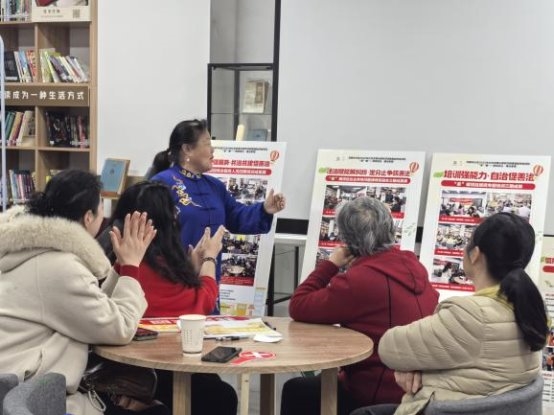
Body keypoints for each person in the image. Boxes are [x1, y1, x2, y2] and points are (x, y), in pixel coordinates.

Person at [0, 169, 166, 415]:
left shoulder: (31, 251)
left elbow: (92, 308)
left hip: (18, 387)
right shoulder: (58, 266)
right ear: (88, 217)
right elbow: (119, 328)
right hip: (37, 397)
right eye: (101, 209)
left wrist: (121, 265)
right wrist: (132, 266)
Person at [353, 212, 548, 415]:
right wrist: (416, 366)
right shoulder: (531, 308)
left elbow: (388, 347)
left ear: (475, 254)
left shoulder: (471, 314)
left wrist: (412, 365)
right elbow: (477, 360)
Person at [280, 197, 439, 415]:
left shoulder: (361, 280)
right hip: (419, 391)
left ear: (347, 240)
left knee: (296, 390)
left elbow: (299, 305)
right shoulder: (413, 266)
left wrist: (330, 264)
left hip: (375, 392)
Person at [101, 180, 238, 415]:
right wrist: (209, 258)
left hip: (135, 369)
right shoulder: (144, 266)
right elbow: (200, 304)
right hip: (149, 374)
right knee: (220, 394)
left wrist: (191, 269)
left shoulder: (130, 261)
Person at [148, 119, 285, 311]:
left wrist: (264, 209)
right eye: (207, 143)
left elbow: (236, 216)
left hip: (208, 278)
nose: (212, 150)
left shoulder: (215, 186)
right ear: (187, 149)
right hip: (172, 281)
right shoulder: (161, 184)